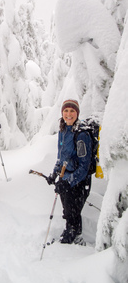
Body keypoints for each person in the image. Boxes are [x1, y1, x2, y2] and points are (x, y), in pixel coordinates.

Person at [47, 99, 92, 244]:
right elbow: (61, 156)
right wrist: (54, 173)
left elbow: (84, 166)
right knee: (68, 209)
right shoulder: (63, 129)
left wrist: (70, 182)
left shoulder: (81, 135)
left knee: (72, 211)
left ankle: (72, 236)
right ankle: (74, 232)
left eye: (72, 111)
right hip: (65, 176)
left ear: (77, 113)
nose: (68, 114)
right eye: (66, 111)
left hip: (79, 180)